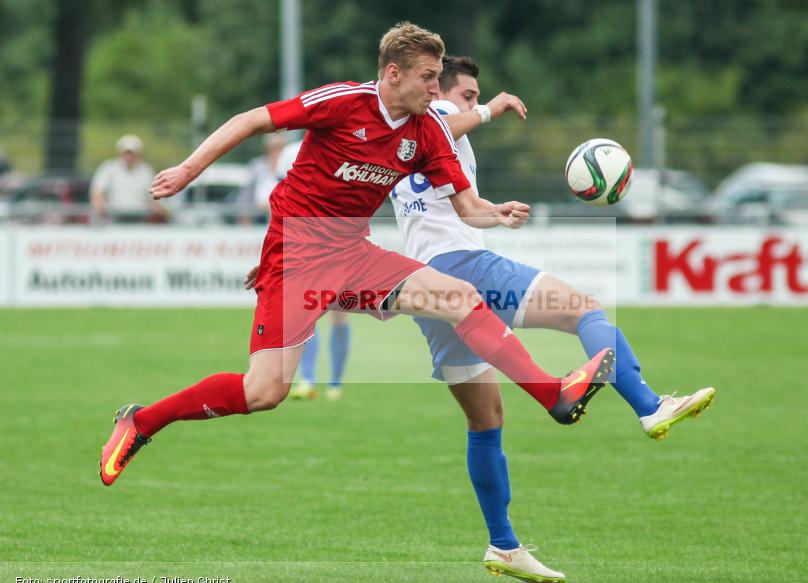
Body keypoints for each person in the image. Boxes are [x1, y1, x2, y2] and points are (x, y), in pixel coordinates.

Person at [100, 23, 614, 494]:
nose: (436, 89)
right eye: (428, 77)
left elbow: (467, 207)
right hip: (296, 255)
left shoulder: (427, 132)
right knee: (264, 391)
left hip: (352, 254)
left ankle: (553, 394)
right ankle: (141, 422)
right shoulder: (345, 102)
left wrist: (494, 212)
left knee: (459, 297)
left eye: (438, 78)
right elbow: (250, 120)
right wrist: (189, 170)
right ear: (393, 74)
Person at [387, 56, 717, 583]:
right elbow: (446, 123)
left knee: (485, 422)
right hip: (464, 267)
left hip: (427, 286)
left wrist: (494, 212)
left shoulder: (407, 139)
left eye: (476, 97)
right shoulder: (435, 117)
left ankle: (503, 545)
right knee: (584, 308)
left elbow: (454, 206)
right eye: (468, 94)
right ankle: (649, 405)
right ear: (440, 91)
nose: (474, 102)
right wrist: (490, 110)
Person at [273, 138, 352, 402]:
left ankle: (335, 382)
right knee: (307, 311)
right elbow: (283, 194)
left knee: (338, 312)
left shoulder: (344, 144)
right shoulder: (290, 152)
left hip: (339, 238)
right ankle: (308, 379)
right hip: (303, 241)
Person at [90, 134, 165, 223]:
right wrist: (100, 208)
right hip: (114, 217)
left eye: (132, 153)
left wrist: (160, 209)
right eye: (127, 153)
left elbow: (154, 194)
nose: (129, 156)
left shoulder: (146, 170)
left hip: (141, 217)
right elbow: (97, 190)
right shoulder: (109, 168)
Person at [238, 132, 287, 225]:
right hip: (258, 216)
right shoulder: (256, 166)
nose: (275, 151)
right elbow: (246, 193)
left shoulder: (290, 165)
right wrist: (245, 216)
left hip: (282, 215)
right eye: (272, 147)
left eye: (279, 147)